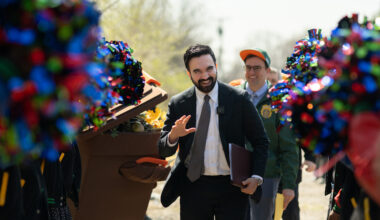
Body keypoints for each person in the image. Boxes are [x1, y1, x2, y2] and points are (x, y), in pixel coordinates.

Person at [158, 44, 269, 220]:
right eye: (197, 71)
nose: (205, 76)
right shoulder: (179, 103)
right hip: (193, 187)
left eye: (209, 69)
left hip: (233, 188)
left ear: (216, 67)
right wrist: (173, 136)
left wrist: (256, 177)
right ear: (189, 73)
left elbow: (261, 141)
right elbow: (163, 149)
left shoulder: (239, 99)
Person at [231, 48, 299, 220]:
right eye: (248, 68)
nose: (251, 72)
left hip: (267, 176)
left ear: (267, 71)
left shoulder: (279, 101)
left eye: (257, 68)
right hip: (234, 175)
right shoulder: (233, 96)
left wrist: (289, 185)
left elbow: (289, 146)